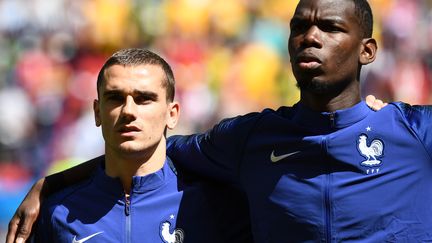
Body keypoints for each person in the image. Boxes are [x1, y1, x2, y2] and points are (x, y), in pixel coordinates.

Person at [7, 0, 416, 242]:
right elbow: (146, 151)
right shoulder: (250, 140)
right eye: (299, 27)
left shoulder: (415, 132)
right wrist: (51, 184)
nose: (310, 36)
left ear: (368, 50)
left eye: (328, 27)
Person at [19, 48, 252, 243]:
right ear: (97, 112)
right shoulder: (56, 213)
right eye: (115, 98)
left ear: (172, 114)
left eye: (144, 99)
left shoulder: (218, 207)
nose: (128, 111)